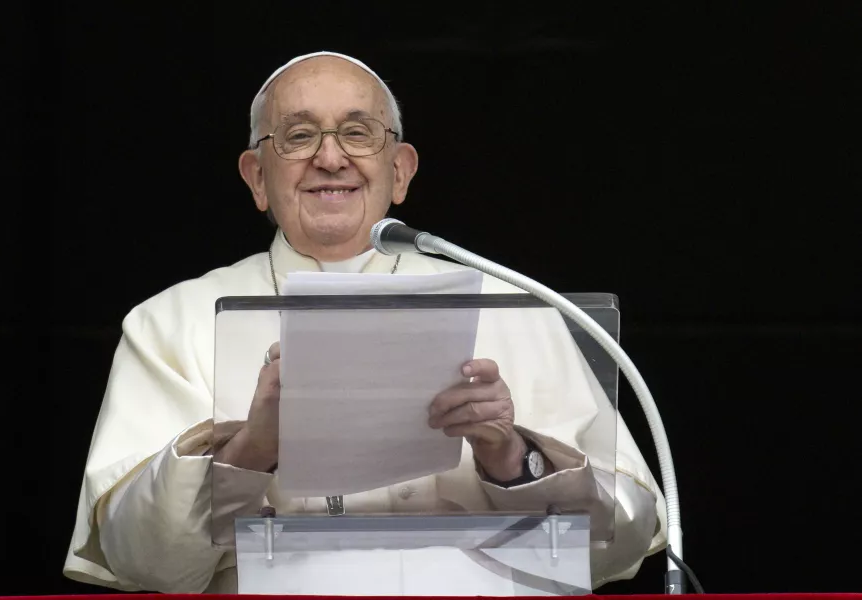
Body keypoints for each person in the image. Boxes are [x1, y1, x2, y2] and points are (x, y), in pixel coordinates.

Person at [63, 51, 667, 593]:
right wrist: (251, 448)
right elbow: (141, 559)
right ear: (256, 178)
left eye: (358, 133)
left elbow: (622, 543)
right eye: (299, 136)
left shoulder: (515, 304)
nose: (331, 158)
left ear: (400, 170)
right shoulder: (172, 320)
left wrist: (511, 458)